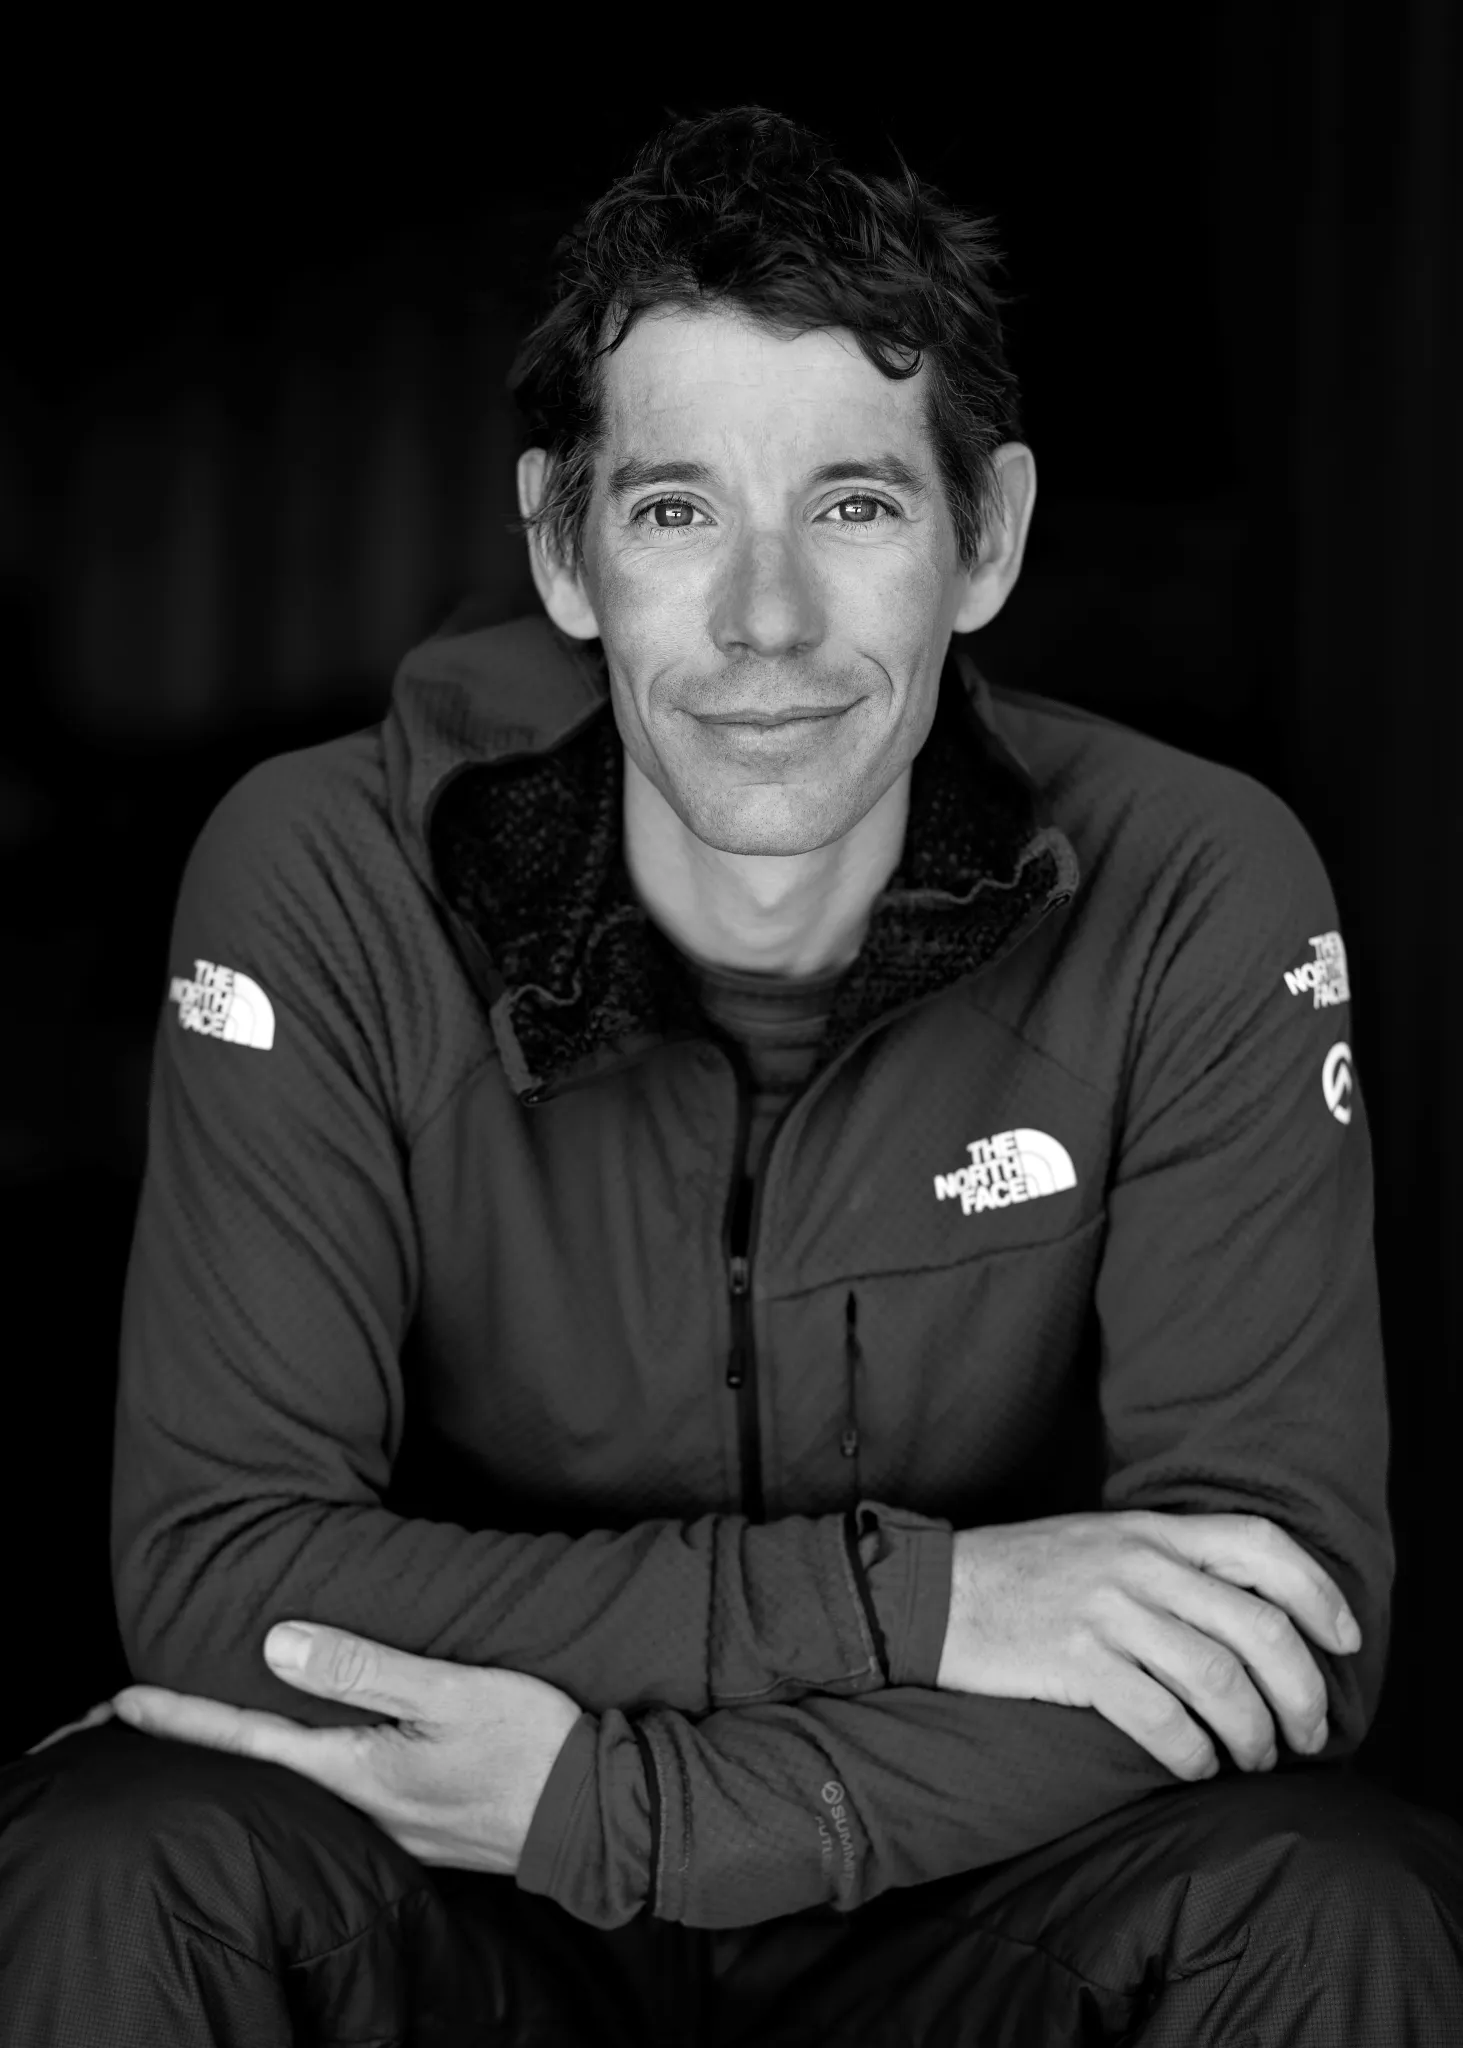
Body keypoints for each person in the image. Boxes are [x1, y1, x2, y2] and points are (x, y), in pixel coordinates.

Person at [2, 102, 1461, 2047]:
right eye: (677, 511)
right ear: (563, 548)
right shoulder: (324, 873)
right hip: (463, 1893)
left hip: (950, 1883)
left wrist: (633, 1812)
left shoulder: (1196, 881)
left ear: (985, 540)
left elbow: (1274, 1636)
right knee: (117, 1857)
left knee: (1335, 1908)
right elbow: (217, 1580)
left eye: (852, 507)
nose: (765, 622)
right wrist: (921, 1601)